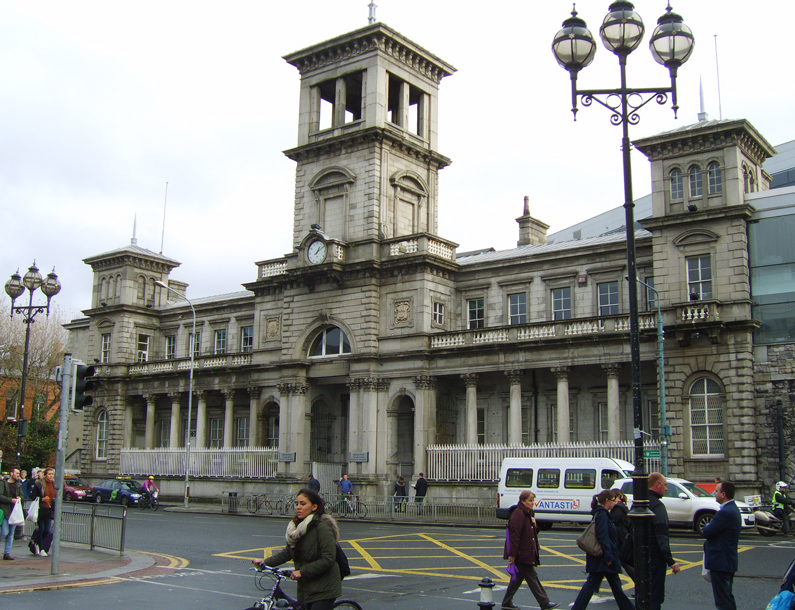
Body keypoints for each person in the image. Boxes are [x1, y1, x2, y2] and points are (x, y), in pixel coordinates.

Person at [253, 488, 342, 610]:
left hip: (325, 587)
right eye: (296, 504)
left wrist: (302, 572)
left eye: (303, 504)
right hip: (307, 587)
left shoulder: (322, 527)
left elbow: (328, 559)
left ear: (314, 507)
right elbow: (288, 552)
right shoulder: (298, 528)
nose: (298, 507)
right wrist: (265, 562)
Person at [569, 490, 634, 610]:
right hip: (603, 557)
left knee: (615, 586)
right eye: (613, 501)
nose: (615, 503)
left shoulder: (602, 513)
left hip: (604, 557)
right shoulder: (603, 514)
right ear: (607, 501)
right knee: (593, 585)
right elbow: (603, 536)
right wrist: (609, 556)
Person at [500, 490, 560, 610]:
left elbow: (531, 534)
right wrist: (512, 555)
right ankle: (544, 602)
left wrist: (535, 525)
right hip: (522, 552)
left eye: (533, 501)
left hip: (526, 551)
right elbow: (514, 536)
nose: (533, 503)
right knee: (532, 577)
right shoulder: (518, 514)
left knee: (517, 579)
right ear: (523, 501)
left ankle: (506, 602)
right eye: (530, 501)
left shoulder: (528, 513)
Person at [702, 480, 741, 610]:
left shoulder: (725, 512)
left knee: (723, 600)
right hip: (726, 560)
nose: (714, 493)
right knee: (727, 596)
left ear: (723, 494)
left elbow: (707, 531)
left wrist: (707, 525)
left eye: (717, 491)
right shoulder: (731, 509)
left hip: (721, 562)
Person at [648, 472, 680, 610]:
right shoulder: (658, 507)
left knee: (643, 595)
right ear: (657, 485)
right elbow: (662, 536)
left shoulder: (639, 503)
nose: (666, 489)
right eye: (665, 485)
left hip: (641, 558)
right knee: (655, 597)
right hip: (655, 559)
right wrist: (670, 561)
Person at [30, 467, 56, 557]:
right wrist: (42, 499)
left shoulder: (54, 484)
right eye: (49, 474)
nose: (51, 476)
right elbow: (32, 496)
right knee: (41, 529)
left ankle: (36, 542)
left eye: (52, 474)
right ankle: (41, 549)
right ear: (45, 475)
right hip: (41, 509)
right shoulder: (39, 484)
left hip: (49, 510)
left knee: (47, 530)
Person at [610, 489, 634, 581]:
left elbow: (612, 521)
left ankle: (640, 584)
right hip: (623, 536)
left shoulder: (617, 509)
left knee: (623, 561)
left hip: (620, 538)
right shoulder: (622, 507)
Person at [0, 468, 22, 560]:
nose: (18, 475)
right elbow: (0, 496)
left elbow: (22, 495)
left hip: (14, 512)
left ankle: (7, 553)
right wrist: (11, 500)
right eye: (16, 473)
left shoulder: (18, 485)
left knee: (11, 534)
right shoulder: (3, 483)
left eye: (19, 473)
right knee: (5, 532)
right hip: (5, 511)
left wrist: (19, 498)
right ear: (11, 473)